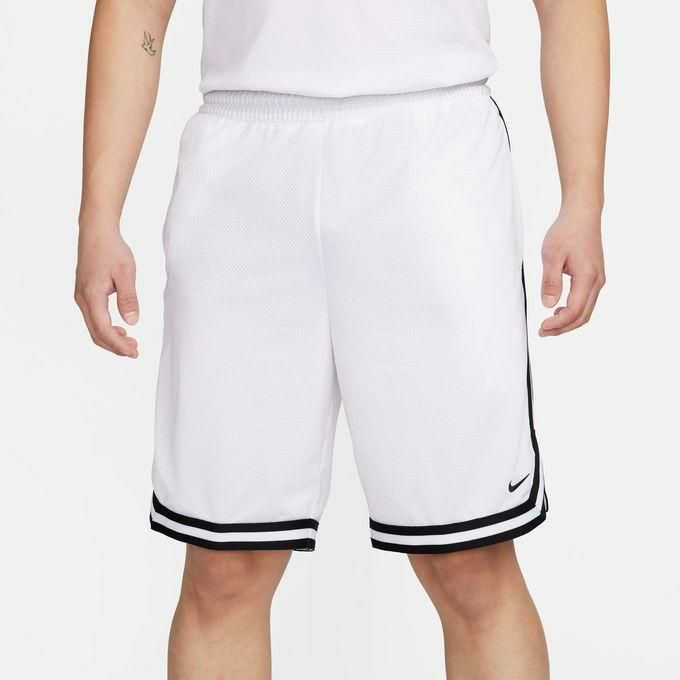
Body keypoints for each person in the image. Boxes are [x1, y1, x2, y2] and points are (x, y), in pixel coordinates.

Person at [75, 1, 608, 678]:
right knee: (223, 566)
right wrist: (99, 215)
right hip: (242, 168)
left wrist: (583, 199)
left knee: (469, 562)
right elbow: (137, 10)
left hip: (430, 155)